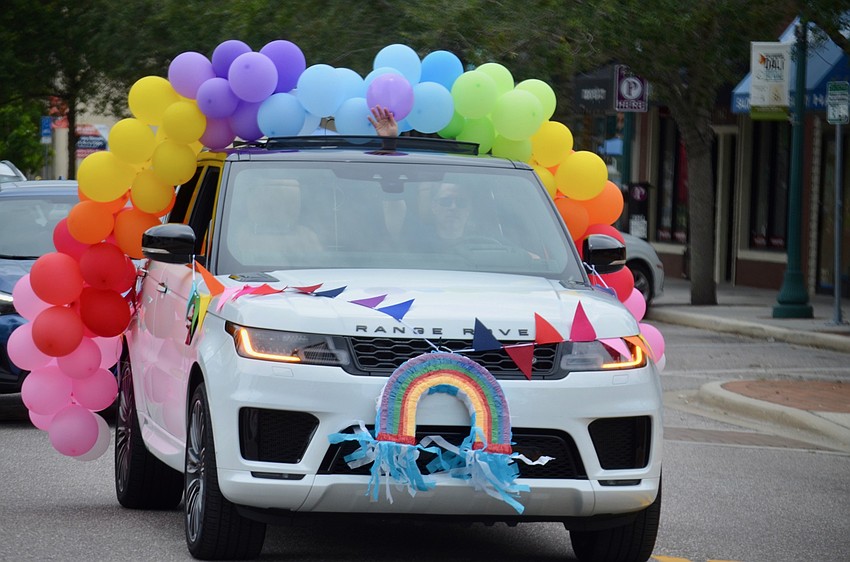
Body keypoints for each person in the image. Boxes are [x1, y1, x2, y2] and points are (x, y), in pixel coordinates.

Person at [231, 178, 322, 264]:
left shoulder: (306, 236)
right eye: (272, 201)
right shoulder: (242, 235)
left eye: (290, 203)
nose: (279, 208)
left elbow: (318, 265)